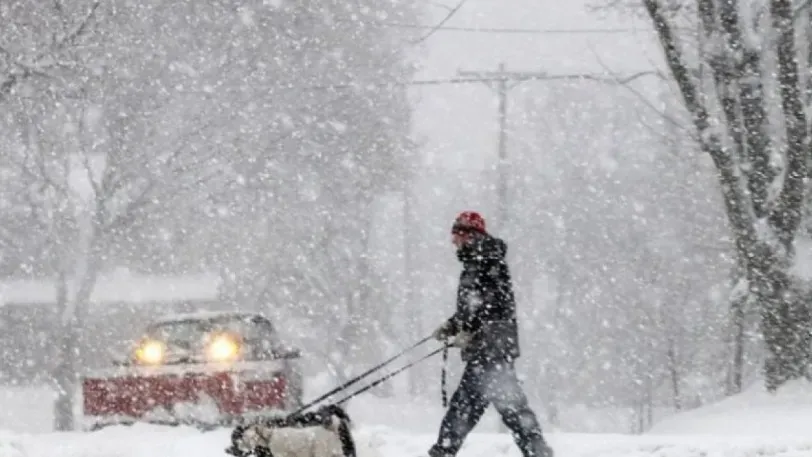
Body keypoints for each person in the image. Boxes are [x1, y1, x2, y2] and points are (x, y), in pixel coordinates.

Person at [428, 211, 553, 457]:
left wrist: (469, 330)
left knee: (467, 407)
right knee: (510, 408)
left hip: (489, 349)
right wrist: (453, 326)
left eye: (456, 235)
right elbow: (478, 307)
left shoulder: (483, 259)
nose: (453, 241)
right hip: (492, 347)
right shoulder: (480, 259)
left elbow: (488, 305)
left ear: (468, 235)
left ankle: (442, 452)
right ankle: (538, 452)